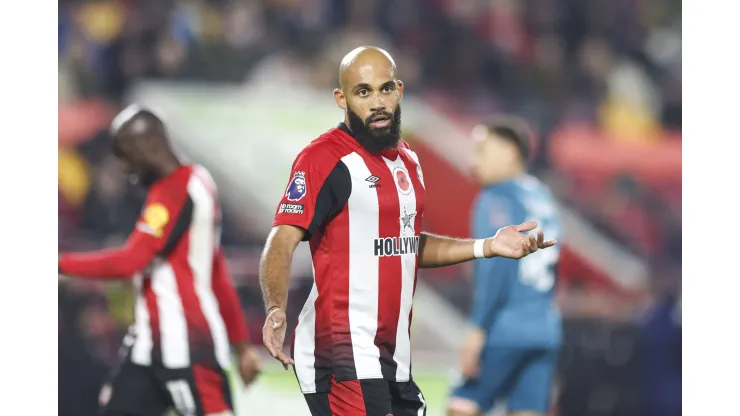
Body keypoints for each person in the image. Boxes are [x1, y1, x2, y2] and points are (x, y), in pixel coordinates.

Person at [259, 46, 557, 416]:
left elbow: (407, 246)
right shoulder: (323, 159)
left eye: (385, 89)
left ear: (399, 90)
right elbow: (282, 238)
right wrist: (275, 308)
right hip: (340, 350)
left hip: (393, 353)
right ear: (342, 98)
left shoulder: (408, 161)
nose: (378, 101)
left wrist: (487, 246)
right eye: (363, 92)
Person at [58, 106, 261, 416]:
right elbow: (215, 269)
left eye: (128, 155)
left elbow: (131, 260)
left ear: (151, 147)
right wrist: (241, 345)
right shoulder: (199, 180)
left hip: (190, 349)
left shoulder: (173, 192)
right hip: (147, 351)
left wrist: (59, 263)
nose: (126, 167)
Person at [447, 119, 562, 416]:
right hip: (544, 328)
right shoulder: (543, 196)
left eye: (482, 151)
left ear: (510, 152)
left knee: (462, 405)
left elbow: (496, 268)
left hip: (504, 328)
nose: (474, 161)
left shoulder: (495, 198)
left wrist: (477, 329)